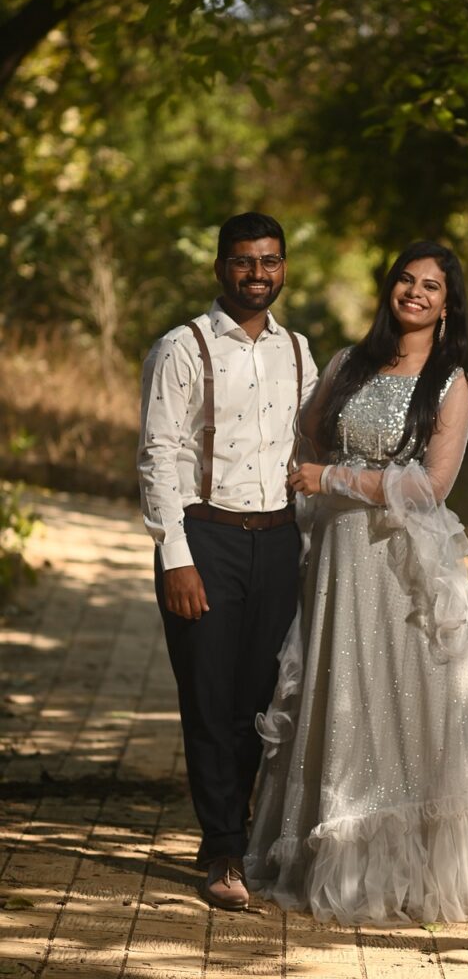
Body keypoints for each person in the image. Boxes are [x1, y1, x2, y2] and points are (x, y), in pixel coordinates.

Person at [245, 239, 468, 925]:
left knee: (407, 697)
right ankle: (330, 861)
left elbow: (431, 487)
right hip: (341, 556)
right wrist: (316, 481)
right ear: (390, 288)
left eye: (431, 286)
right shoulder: (349, 364)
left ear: (448, 304)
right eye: (406, 280)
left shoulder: (452, 384)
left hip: (405, 563)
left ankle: (417, 870)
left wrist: (336, 479)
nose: (415, 293)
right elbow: (308, 433)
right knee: (341, 688)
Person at [137, 212, 318, 911]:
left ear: (283, 267)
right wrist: (175, 556)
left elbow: (304, 454)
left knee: (261, 700)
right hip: (204, 536)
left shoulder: (299, 350)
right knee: (209, 701)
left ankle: (246, 837)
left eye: (270, 261)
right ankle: (222, 852)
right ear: (221, 267)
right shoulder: (182, 347)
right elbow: (157, 457)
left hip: (277, 542)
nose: (258, 274)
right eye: (244, 262)